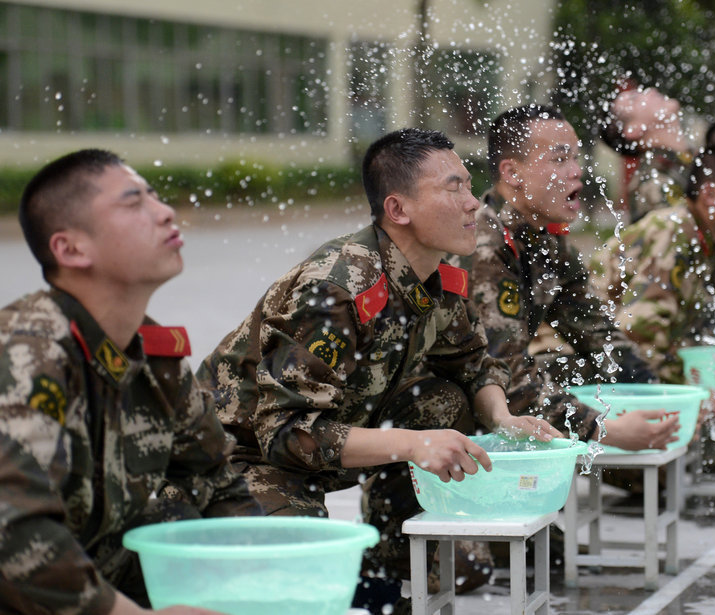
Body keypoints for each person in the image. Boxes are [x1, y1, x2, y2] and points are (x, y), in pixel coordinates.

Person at [196, 128, 559, 610]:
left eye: (470, 186)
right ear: (398, 210)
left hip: (338, 435)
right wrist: (413, 445)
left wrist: (502, 418)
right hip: (244, 456)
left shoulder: (441, 276)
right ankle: (323, 572)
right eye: (454, 188)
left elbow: (473, 364)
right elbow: (285, 434)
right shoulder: (337, 289)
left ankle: (386, 576)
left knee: (444, 408)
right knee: (303, 580)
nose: (473, 203)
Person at [0, 149, 260, 615]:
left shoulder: (154, 355)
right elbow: (15, 529)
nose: (164, 212)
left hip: (89, 581)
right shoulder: (26, 352)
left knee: (181, 514)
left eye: (156, 197)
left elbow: (217, 483)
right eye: (134, 202)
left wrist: (264, 585)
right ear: (71, 249)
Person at [459, 104, 680, 452]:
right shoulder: (486, 245)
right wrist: (606, 429)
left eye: (576, 158)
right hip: (446, 421)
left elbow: (599, 335)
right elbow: (505, 376)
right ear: (512, 173)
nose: (577, 172)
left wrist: (660, 399)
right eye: (560, 159)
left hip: (494, 397)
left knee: (581, 367)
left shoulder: (545, 241)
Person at [594, 145, 715, 383]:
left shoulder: (706, 238)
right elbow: (640, 333)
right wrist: (687, 390)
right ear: (711, 196)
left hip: (610, 358)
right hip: (579, 360)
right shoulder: (675, 232)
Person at [600, 86, 694, 224]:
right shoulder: (653, 183)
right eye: (635, 98)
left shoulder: (690, 161)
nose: (651, 91)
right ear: (633, 129)